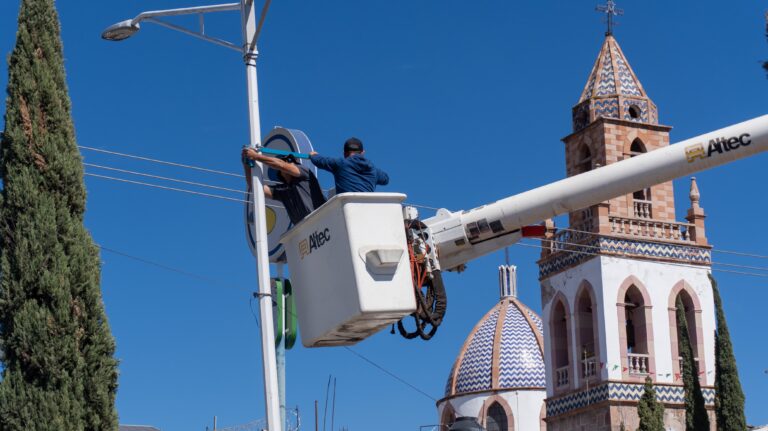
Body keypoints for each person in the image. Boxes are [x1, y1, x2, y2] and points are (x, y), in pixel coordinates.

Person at [242, 148, 326, 225]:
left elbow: (281, 165)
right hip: (303, 230)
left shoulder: (304, 172)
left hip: (321, 220)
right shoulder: (284, 190)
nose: (289, 164)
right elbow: (255, 187)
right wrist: (246, 164)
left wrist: (255, 156)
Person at [309, 137, 389, 194]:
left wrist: (313, 155)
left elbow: (319, 161)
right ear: (363, 152)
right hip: (368, 211)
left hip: (349, 211)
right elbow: (386, 179)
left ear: (344, 154)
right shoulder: (373, 169)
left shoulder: (340, 163)